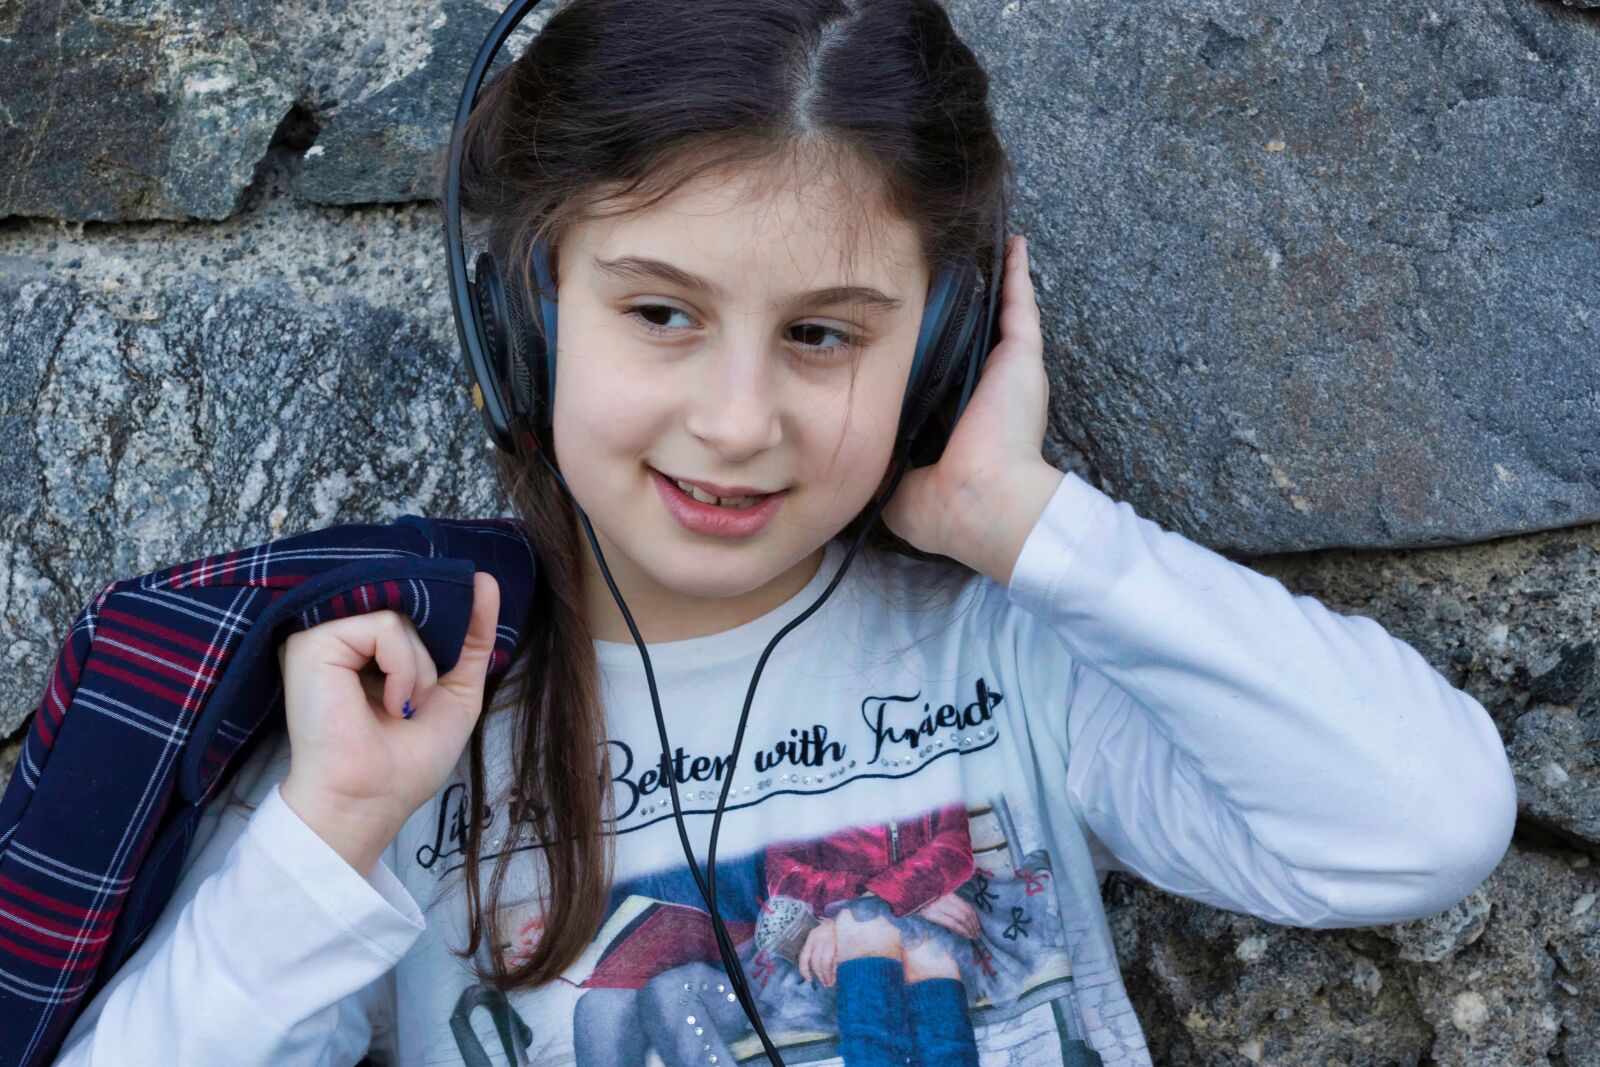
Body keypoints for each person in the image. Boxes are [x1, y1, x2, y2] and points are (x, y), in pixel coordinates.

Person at [51, 0, 1519, 1064]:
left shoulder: (1010, 654)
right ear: (524, 311)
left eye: (825, 335)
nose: (740, 419)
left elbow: (1417, 827)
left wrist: (1024, 522)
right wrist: (330, 833)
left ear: (937, 355)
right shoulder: (398, 735)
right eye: (662, 313)